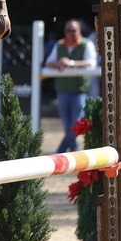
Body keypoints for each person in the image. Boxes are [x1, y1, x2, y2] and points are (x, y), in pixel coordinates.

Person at [45, 19, 97, 153]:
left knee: (75, 125)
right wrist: (57, 64)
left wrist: (71, 63)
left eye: (73, 30)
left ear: (79, 31)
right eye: (68, 30)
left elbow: (91, 62)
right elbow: (48, 62)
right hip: (62, 90)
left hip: (79, 90)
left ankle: (60, 151)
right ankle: (74, 150)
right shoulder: (59, 44)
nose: (70, 33)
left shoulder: (87, 44)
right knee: (68, 125)